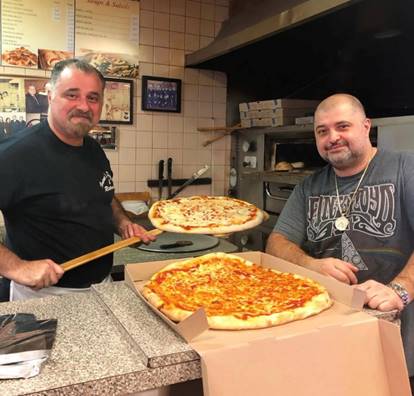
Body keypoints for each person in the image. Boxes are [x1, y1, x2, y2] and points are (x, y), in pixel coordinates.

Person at [266, 93, 414, 379]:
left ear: (366, 126)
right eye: (322, 131)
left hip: (401, 329)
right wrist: (312, 265)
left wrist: (401, 288)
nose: (332, 137)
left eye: (342, 126)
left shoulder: (405, 168)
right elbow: (276, 243)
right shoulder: (308, 187)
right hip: (332, 331)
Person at [0, 58, 155, 301]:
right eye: (72, 95)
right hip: (44, 296)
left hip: (101, 288)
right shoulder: (14, 154)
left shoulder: (93, 149)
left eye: (92, 98)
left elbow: (104, 195)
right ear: (50, 95)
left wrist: (123, 224)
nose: (84, 106)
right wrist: (18, 268)